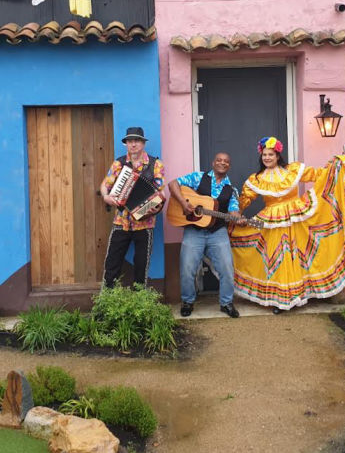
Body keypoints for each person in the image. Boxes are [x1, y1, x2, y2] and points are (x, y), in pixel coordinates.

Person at [229, 136, 345, 313]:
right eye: (264, 155)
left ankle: (296, 296)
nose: (267, 158)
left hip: (296, 218)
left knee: (295, 258)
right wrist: (235, 212)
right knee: (277, 259)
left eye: (271, 154)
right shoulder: (257, 179)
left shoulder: (292, 170)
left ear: (278, 156)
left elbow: (319, 175)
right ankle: (280, 300)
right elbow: (244, 200)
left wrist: (336, 166)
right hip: (272, 222)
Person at [168, 152, 246, 318]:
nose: (222, 163)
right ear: (213, 162)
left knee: (227, 268)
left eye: (226, 161)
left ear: (229, 166)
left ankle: (226, 303)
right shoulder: (198, 177)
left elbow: (233, 211)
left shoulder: (231, 190)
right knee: (187, 268)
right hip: (194, 231)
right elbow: (172, 183)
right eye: (219, 160)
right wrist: (183, 203)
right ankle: (187, 301)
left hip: (217, 232)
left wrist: (238, 219)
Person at [100, 127, 165, 288]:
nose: (133, 144)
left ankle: (139, 301)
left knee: (141, 266)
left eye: (136, 141)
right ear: (126, 144)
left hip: (145, 224)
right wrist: (106, 197)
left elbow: (160, 193)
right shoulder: (119, 163)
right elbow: (105, 185)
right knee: (112, 263)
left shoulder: (155, 164)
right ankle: (106, 301)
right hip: (121, 222)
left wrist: (153, 207)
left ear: (143, 143)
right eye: (130, 141)